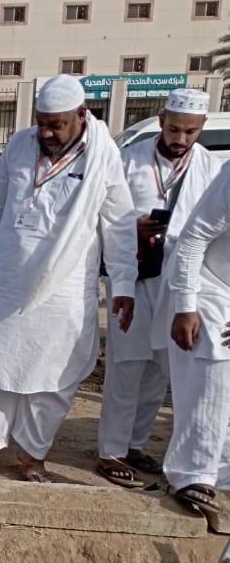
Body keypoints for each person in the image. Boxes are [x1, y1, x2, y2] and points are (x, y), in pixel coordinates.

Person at [0, 75, 136, 482]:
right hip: (4, 276)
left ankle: (33, 457)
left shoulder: (103, 155)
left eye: (57, 124)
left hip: (65, 284)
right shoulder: (20, 145)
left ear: (81, 116)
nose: (47, 132)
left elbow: (120, 226)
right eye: (42, 122)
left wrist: (123, 284)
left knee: (54, 373)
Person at [97, 89, 221, 487]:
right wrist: (132, 226)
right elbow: (103, 213)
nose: (180, 139)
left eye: (190, 132)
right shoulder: (128, 160)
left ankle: (135, 444)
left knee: (159, 370)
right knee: (126, 366)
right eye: (174, 129)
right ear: (162, 119)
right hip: (133, 277)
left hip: (183, 285)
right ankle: (111, 450)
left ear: (201, 128)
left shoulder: (212, 169)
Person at [165, 162, 230, 526]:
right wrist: (185, 306)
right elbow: (193, 238)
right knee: (214, 375)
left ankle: (221, 472)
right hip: (209, 286)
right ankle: (192, 474)